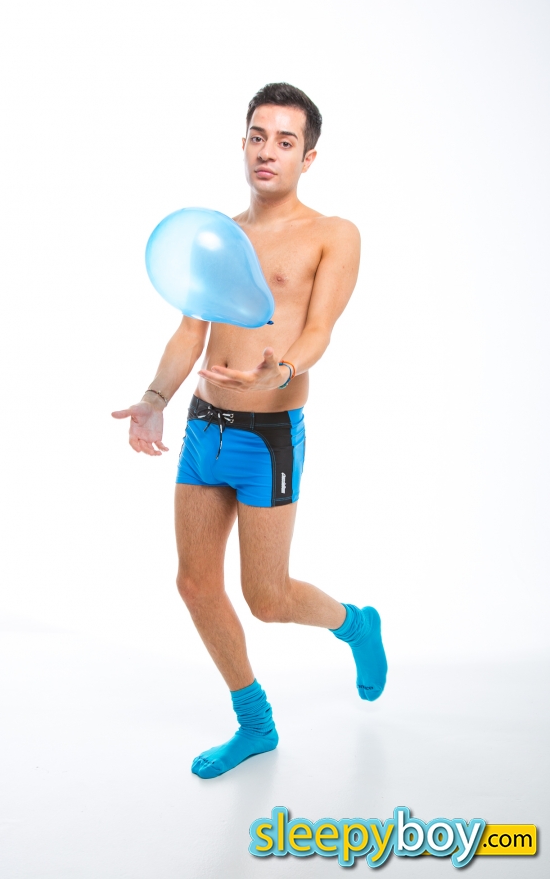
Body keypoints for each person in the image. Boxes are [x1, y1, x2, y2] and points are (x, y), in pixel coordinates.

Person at [112, 82, 387, 779]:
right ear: (243, 144)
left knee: (268, 599)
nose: (268, 151)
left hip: (269, 436)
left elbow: (320, 330)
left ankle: (356, 624)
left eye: (285, 141)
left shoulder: (333, 234)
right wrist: (154, 398)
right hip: (205, 425)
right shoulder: (217, 235)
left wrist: (280, 370)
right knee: (195, 584)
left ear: (308, 157)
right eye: (258, 137)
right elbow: (189, 333)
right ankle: (255, 723)